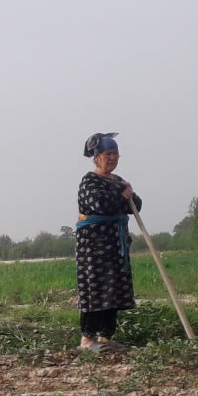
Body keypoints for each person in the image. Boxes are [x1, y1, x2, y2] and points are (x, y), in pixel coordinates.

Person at [76, 132, 143, 352]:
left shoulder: (118, 181)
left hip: (115, 244)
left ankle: (106, 338)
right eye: (108, 154)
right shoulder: (90, 180)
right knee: (95, 289)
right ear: (96, 156)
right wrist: (119, 193)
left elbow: (136, 205)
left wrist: (126, 194)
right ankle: (87, 340)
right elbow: (99, 204)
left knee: (113, 290)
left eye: (116, 154)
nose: (112, 158)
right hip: (94, 247)